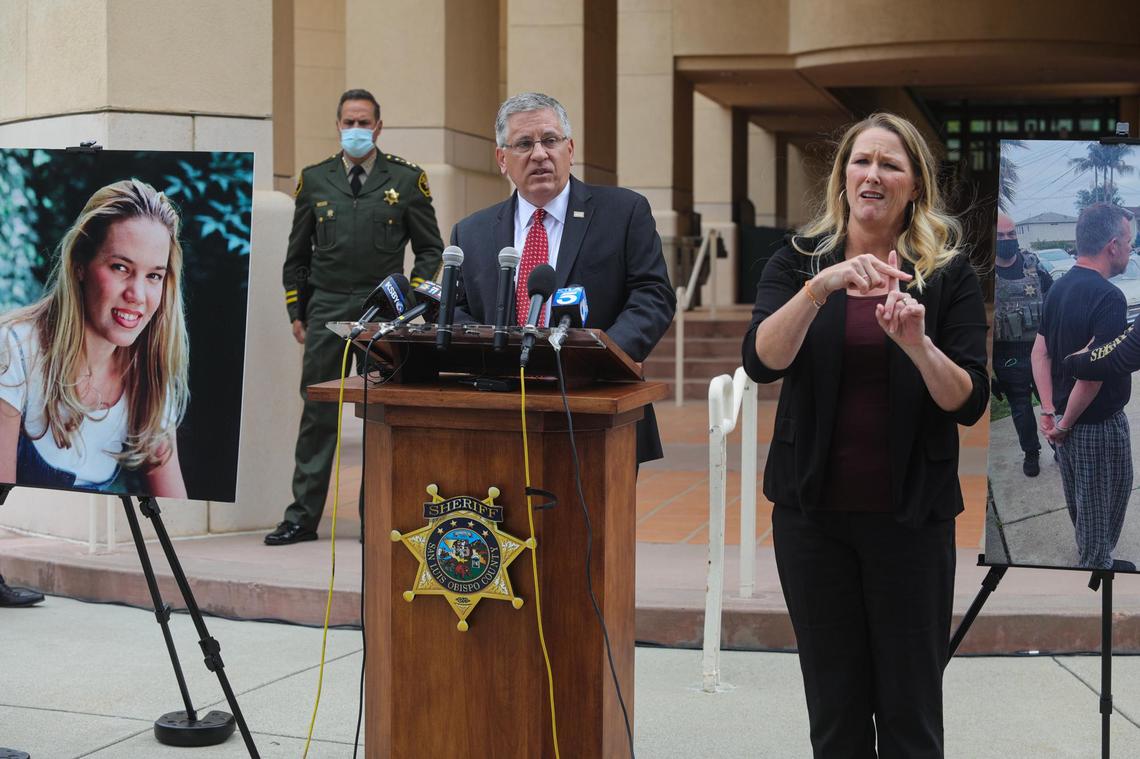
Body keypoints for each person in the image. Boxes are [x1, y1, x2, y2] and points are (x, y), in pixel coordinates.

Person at [742, 113, 988, 758]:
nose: (872, 175)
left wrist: (917, 345)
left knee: (910, 713)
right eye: (861, 161)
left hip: (911, 519)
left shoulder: (947, 274)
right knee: (835, 710)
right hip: (813, 517)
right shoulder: (799, 261)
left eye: (891, 165)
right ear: (843, 176)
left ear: (914, 188)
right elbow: (762, 360)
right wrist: (819, 289)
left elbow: (968, 401)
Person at [450, 92, 675, 465]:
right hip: (498, 413)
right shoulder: (470, 233)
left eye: (550, 140)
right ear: (502, 159)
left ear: (570, 149)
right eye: (524, 143)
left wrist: (601, 358)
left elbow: (653, 295)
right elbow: (457, 311)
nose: (539, 154)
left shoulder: (623, 212)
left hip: (597, 409)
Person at [269, 88, 444, 546]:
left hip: (381, 313)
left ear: (379, 127)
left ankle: (376, 518)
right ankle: (302, 517)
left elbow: (430, 248)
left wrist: (413, 301)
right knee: (318, 413)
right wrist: (297, 308)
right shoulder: (315, 180)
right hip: (326, 307)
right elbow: (297, 254)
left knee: (379, 415)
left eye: (364, 122)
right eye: (349, 122)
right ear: (338, 125)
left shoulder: (407, 181)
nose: (356, 130)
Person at [0, 179, 189, 497]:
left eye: (153, 275)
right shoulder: (15, 350)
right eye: (120, 267)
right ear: (79, 266)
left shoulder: (150, 380)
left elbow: (175, 508)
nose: (137, 295)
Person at [1031, 202, 1135, 571]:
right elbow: (1092, 375)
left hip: (1065, 421)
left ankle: (1095, 557)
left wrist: (1049, 411)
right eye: (1129, 241)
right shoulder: (1109, 297)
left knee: (1083, 504)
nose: (1130, 249)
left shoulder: (1058, 288)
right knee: (1101, 507)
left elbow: (1039, 351)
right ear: (1112, 245)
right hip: (1094, 426)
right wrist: (1063, 425)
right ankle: (1097, 571)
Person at [992, 213, 1052, 476]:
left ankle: (1059, 444)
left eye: (1011, 234)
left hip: (1042, 350)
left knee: (1051, 403)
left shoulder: (1034, 265)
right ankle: (1031, 453)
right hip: (1007, 356)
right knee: (1021, 408)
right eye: (1001, 236)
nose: (1008, 240)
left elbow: (1054, 300)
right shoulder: (983, 273)